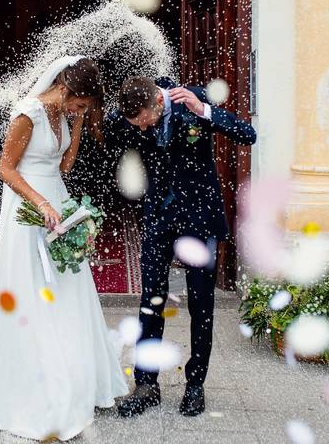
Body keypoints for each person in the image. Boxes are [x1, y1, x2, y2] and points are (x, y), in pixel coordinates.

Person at [0, 56, 127, 441]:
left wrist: (75, 124)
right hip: (27, 206)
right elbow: (6, 169)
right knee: (33, 292)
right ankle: (35, 385)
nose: (80, 112)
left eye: (84, 109)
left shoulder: (64, 114)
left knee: (66, 289)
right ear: (64, 88)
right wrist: (40, 203)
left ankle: (73, 376)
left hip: (56, 204)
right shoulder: (27, 115)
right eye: (79, 105)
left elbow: (65, 165)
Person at [107, 77, 255, 418]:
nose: (142, 128)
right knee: (150, 303)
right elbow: (112, 125)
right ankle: (146, 385)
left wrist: (203, 110)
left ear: (158, 104)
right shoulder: (131, 111)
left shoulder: (194, 101)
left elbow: (248, 134)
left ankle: (195, 385)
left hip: (199, 220)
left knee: (201, 307)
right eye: (137, 124)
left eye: (145, 120)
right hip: (159, 220)